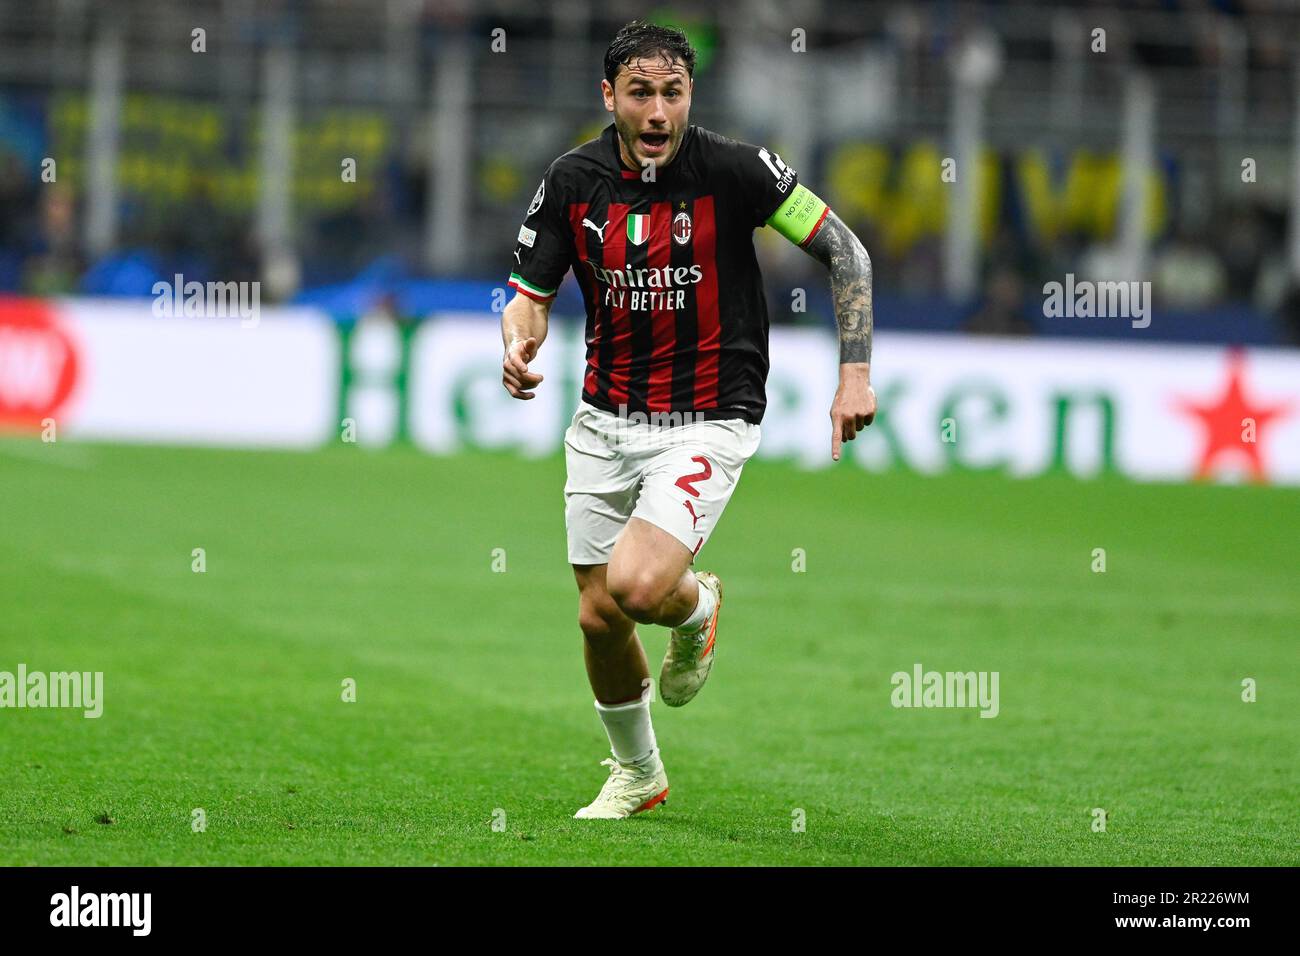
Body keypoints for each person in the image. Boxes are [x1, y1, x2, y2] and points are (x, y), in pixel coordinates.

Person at [499, 19, 876, 819]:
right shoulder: (572, 180)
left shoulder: (737, 170)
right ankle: (638, 775)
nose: (659, 111)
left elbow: (847, 251)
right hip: (604, 417)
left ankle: (696, 604)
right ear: (610, 97)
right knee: (598, 613)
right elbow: (530, 299)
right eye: (641, 93)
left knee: (636, 586)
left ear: (689, 95)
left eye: (673, 92)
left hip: (708, 416)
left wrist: (854, 375)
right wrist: (518, 344)